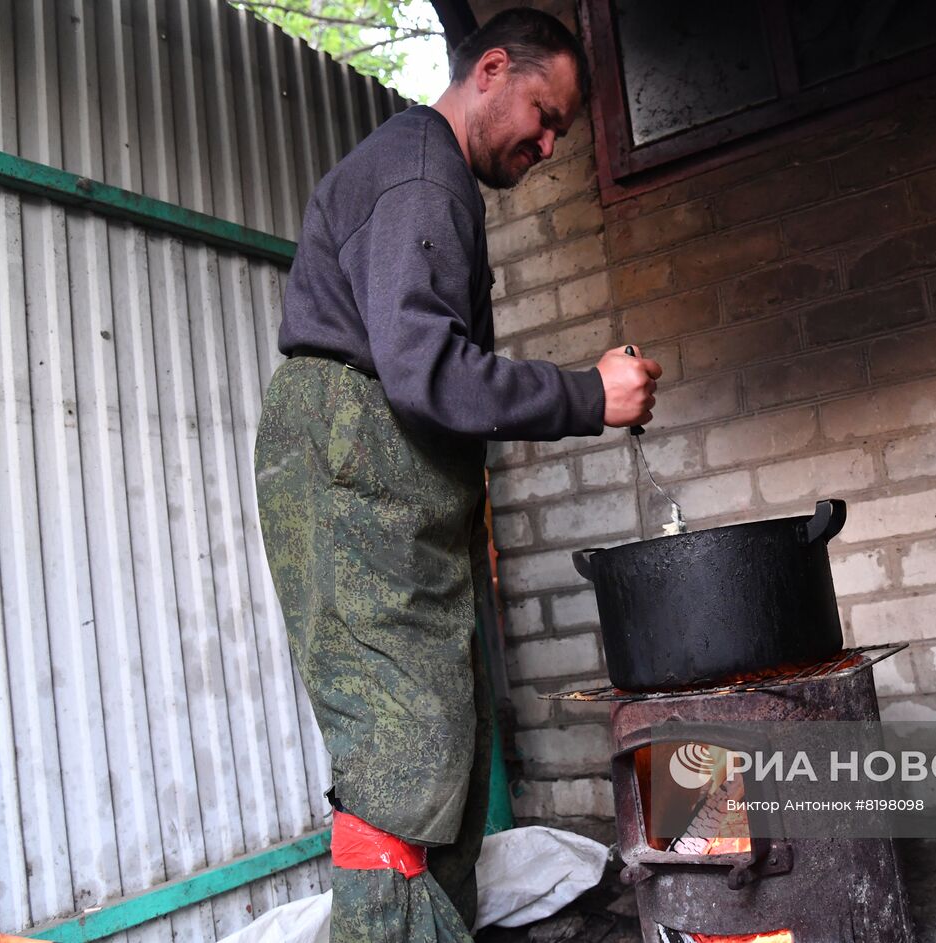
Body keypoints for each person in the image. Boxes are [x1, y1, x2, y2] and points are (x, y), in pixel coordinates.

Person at [252, 8, 659, 942]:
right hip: (354, 466)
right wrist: (588, 395)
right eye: (543, 113)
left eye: (560, 131)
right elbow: (426, 370)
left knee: (447, 751)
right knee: (405, 761)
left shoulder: (427, 177)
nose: (548, 143)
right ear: (490, 69)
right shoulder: (423, 173)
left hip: (378, 477)